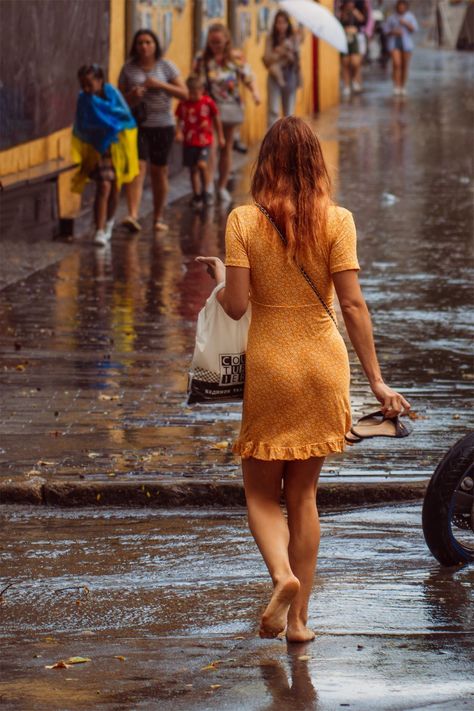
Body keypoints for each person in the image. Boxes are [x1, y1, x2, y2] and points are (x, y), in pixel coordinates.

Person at [196, 117, 410, 642]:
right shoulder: (338, 221)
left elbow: (239, 304)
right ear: (317, 162)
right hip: (323, 363)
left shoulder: (243, 220)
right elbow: (354, 306)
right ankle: (299, 622)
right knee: (305, 496)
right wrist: (378, 383)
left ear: (265, 161)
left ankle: (281, 576)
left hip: (271, 364)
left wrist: (223, 278)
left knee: (262, 494)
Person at [118, 29, 188, 233]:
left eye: (148, 42)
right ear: (135, 46)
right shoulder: (128, 69)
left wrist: (160, 84)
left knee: (159, 171)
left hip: (163, 125)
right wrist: (132, 95)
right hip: (137, 126)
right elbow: (119, 100)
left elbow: (184, 93)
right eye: (140, 43)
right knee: (137, 169)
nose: (144, 46)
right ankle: (132, 214)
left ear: (155, 45)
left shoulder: (166, 67)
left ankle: (158, 217)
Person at [71, 64, 139, 247]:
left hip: (117, 146)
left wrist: (111, 125)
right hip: (98, 147)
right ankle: (99, 230)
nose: (86, 89)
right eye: (82, 84)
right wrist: (102, 128)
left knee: (115, 187)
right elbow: (82, 125)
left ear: (100, 81)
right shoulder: (83, 99)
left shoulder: (113, 94)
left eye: (89, 84)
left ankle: (109, 223)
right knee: (103, 186)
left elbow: (126, 117)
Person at [193, 23, 261, 204]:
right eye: (212, 42)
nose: (215, 46)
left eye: (219, 42)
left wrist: (255, 93)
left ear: (226, 41)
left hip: (231, 108)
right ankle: (208, 186)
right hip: (208, 110)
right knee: (212, 147)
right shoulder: (202, 59)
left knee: (227, 148)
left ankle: (221, 186)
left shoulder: (236, 58)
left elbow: (249, 77)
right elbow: (194, 82)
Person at [175, 75, 225, 209]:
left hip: (204, 141)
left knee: (202, 165)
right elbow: (179, 119)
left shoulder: (207, 102)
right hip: (189, 141)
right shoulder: (184, 103)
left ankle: (206, 190)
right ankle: (196, 194)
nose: (193, 96)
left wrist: (220, 136)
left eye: (196, 93)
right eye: (190, 93)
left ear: (202, 90)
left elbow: (216, 119)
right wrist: (178, 132)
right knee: (192, 170)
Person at [263, 10, 303, 126]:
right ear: (275, 24)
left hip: (290, 74)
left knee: (289, 112)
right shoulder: (270, 38)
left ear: (288, 24)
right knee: (273, 110)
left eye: (284, 23)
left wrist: (289, 55)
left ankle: (288, 139)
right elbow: (266, 59)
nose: (281, 26)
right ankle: (273, 139)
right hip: (274, 75)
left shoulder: (293, 38)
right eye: (278, 22)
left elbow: (297, 61)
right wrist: (279, 52)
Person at [384, 1, 418, 95]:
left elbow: (415, 29)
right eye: (400, 7)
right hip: (394, 43)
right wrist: (393, 32)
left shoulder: (410, 17)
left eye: (403, 7)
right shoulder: (392, 17)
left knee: (404, 65)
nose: (401, 8)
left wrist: (406, 23)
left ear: (406, 7)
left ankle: (403, 86)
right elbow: (385, 30)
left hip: (406, 44)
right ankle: (396, 85)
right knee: (396, 64)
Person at [339, 0, 369, 96]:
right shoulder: (342, 11)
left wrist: (354, 12)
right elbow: (339, 22)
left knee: (355, 62)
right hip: (345, 37)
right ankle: (346, 86)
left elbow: (363, 21)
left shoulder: (358, 9)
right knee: (345, 63)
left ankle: (354, 79)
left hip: (356, 38)